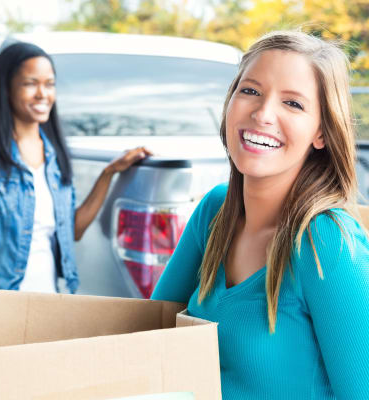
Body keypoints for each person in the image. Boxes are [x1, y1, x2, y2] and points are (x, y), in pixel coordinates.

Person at [151, 30, 369, 399]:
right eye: (250, 91)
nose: (263, 114)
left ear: (322, 132)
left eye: (293, 104)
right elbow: (149, 332)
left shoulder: (326, 241)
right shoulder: (215, 211)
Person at [0, 42, 151, 300]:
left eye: (50, 84)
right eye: (30, 83)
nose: (42, 93)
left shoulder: (55, 157)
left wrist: (109, 173)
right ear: (6, 88)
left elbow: (73, 231)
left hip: (50, 300)